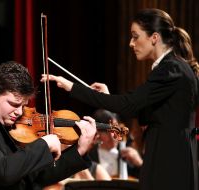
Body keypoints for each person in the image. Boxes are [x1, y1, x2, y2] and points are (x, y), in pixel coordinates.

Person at [41, 8, 199, 190]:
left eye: (135, 36)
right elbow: (141, 108)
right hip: (169, 158)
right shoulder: (171, 67)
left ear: (154, 38)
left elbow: (128, 104)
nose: (131, 43)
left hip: (170, 162)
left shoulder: (171, 69)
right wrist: (109, 97)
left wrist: (72, 87)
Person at [0, 61, 98, 190]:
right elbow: (4, 173)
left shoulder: (10, 125)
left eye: (24, 105)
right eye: (14, 104)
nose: (19, 112)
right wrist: (44, 144)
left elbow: (36, 177)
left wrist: (79, 150)